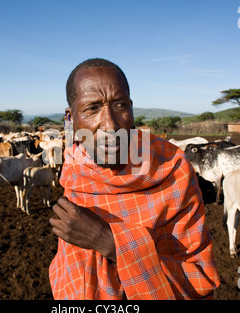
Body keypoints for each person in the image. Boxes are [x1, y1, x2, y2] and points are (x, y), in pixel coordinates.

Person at [49, 58, 219, 300]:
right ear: (71, 118)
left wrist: (109, 242)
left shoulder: (172, 168)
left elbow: (196, 279)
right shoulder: (74, 164)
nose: (110, 124)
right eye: (92, 108)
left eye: (119, 105)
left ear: (131, 108)